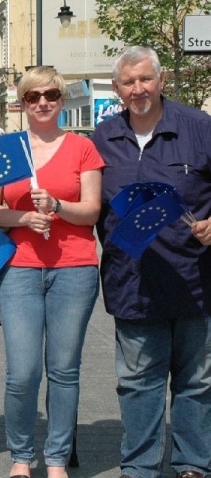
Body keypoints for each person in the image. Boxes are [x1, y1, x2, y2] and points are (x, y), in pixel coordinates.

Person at [92, 46, 211, 478]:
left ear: (161, 80)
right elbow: (91, 205)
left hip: (195, 278)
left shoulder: (199, 128)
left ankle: (193, 462)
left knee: (196, 381)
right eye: (128, 82)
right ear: (117, 88)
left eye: (145, 79)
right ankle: (140, 467)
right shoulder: (103, 137)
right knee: (138, 382)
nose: (138, 88)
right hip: (132, 281)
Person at [0, 67, 104, 478]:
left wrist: (56, 206)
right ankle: (20, 456)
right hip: (20, 268)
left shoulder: (82, 147)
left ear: (62, 99)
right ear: (22, 103)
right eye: (33, 97)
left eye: (50, 95)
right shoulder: (7, 148)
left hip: (74, 268)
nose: (43, 103)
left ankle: (56, 459)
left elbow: (91, 212)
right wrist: (24, 218)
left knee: (64, 370)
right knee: (23, 372)